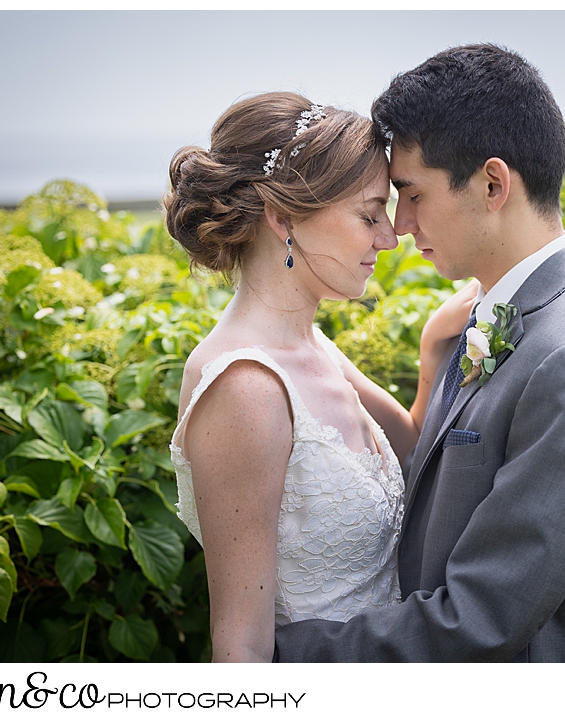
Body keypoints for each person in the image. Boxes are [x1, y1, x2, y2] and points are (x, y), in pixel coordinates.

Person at [273, 44, 565, 662]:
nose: (398, 226)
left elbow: (482, 619)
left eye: (412, 194)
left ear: (493, 183)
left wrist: (277, 658)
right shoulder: (494, 319)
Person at [164, 92, 475, 662]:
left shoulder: (314, 346)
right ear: (282, 218)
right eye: (368, 214)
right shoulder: (247, 388)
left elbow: (414, 452)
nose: (390, 236)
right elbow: (242, 649)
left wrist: (434, 346)